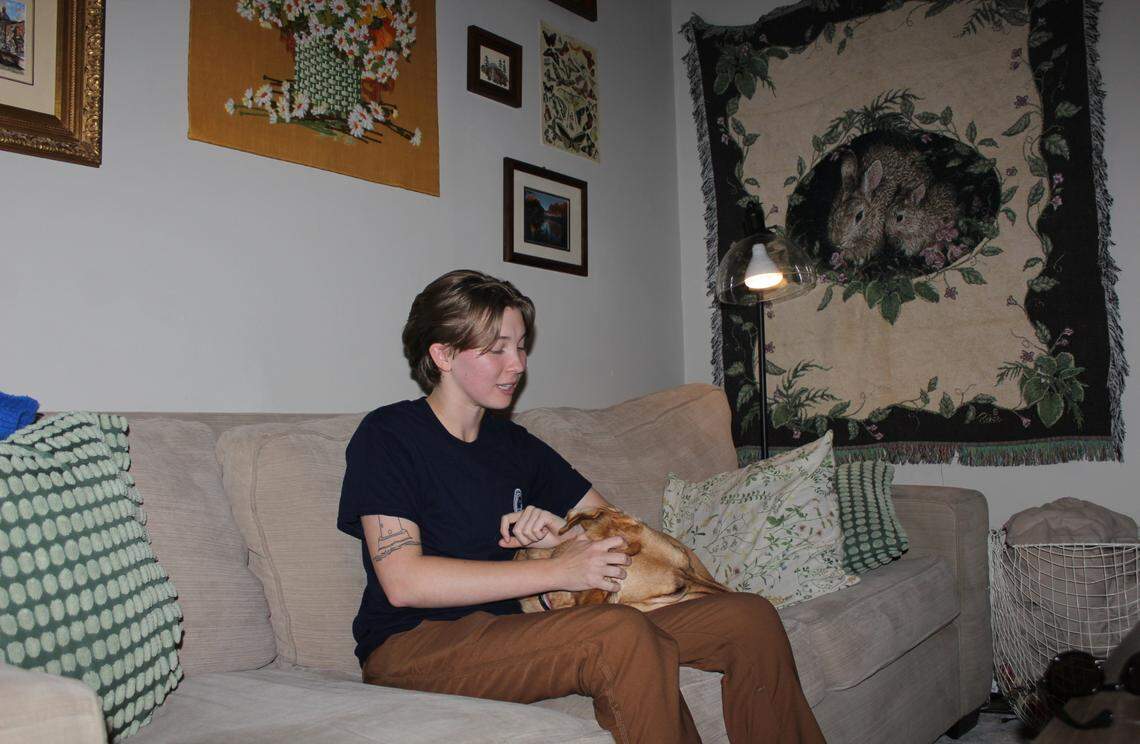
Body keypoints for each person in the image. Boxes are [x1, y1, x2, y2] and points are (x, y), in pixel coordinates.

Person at [337, 269, 825, 744]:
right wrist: (558, 571)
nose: (518, 365)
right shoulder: (389, 437)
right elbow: (404, 582)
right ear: (442, 354)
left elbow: (615, 534)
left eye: (522, 345)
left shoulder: (516, 446)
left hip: (519, 630)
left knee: (747, 619)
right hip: (413, 646)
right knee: (618, 632)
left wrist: (562, 539)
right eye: (496, 349)